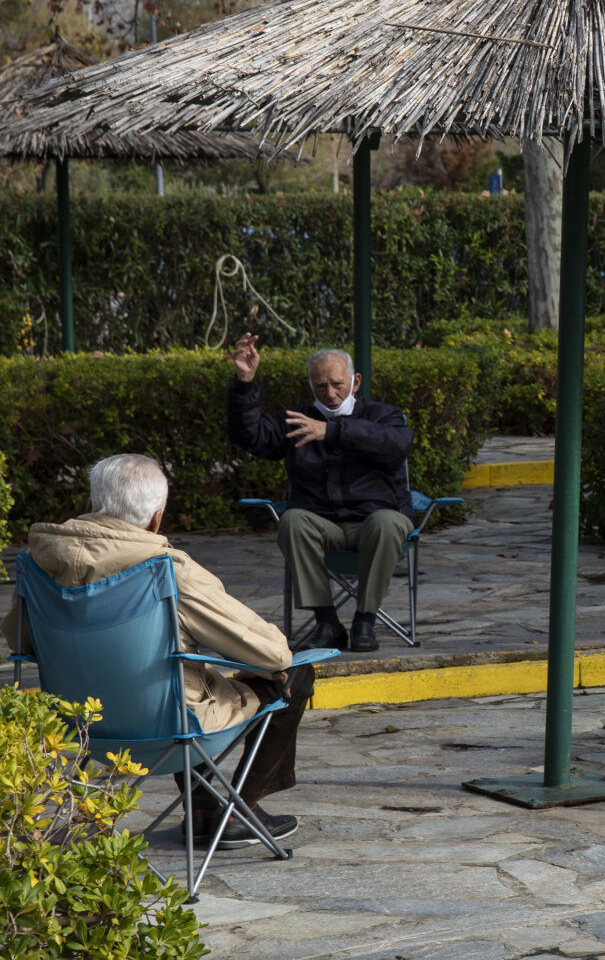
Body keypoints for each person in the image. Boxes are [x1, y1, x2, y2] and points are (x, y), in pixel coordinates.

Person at [3, 454, 313, 848]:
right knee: (295, 672)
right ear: (156, 519)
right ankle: (240, 811)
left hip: (81, 729)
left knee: (186, 676)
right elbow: (274, 654)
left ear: (89, 506)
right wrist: (262, 668)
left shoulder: (39, 564)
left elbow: (19, 640)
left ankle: (202, 811)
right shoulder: (165, 568)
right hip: (168, 727)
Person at [226, 334, 413, 653]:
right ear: (310, 385)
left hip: (372, 522)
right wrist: (245, 382)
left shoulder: (383, 416)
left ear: (355, 382)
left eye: (337, 384)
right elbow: (251, 436)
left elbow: (396, 445)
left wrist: (333, 431)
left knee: (389, 522)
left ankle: (365, 620)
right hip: (321, 524)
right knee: (293, 520)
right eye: (321, 386)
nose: (330, 393)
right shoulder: (297, 420)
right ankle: (327, 622)